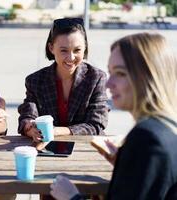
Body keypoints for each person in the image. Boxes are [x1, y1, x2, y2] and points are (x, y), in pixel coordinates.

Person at [50, 32, 177, 200]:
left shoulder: (147, 138)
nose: (109, 84)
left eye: (121, 73)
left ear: (149, 76)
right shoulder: (167, 127)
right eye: (111, 72)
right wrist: (127, 167)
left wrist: (72, 197)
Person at [18, 17, 109, 143]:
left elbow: (96, 124)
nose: (71, 57)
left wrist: (57, 131)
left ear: (85, 48)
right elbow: (27, 116)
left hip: (86, 148)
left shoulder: (96, 78)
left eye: (77, 50)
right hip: (46, 148)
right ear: (51, 48)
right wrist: (30, 128)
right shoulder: (35, 80)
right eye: (63, 50)